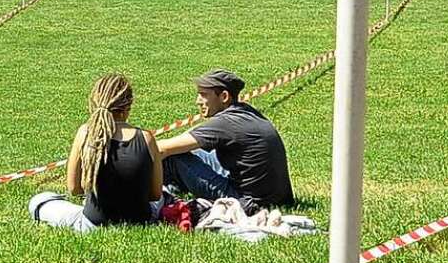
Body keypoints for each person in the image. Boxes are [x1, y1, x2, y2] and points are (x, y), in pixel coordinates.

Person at [29, 74, 162, 232]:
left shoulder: (85, 133)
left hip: (93, 223)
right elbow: (155, 194)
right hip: (141, 220)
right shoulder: (146, 138)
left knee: (39, 200)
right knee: (165, 194)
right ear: (129, 105)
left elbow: (74, 189)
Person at [158, 70, 294, 215]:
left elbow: (162, 148)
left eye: (203, 95)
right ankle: (175, 186)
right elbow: (190, 135)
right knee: (193, 152)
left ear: (224, 96)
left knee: (174, 156)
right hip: (278, 199)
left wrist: (134, 145)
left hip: (247, 202)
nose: (197, 101)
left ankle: (159, 195)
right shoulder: (245, 112)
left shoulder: (225, 123)